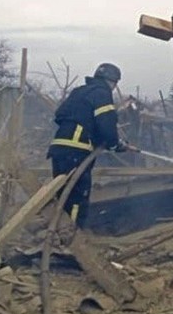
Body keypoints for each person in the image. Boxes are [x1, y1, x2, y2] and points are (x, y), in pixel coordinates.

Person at [47, 63, 129, 229]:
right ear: (112, 81)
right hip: (77, 149)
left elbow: (60, 115)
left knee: (63, 194)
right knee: (77, 197)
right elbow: (106, 124)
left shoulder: (79, 92)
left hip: (59, 148)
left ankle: (56, 232)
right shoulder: (102, 93)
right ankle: (71, 235)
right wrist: (115, 144)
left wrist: (92, 135)